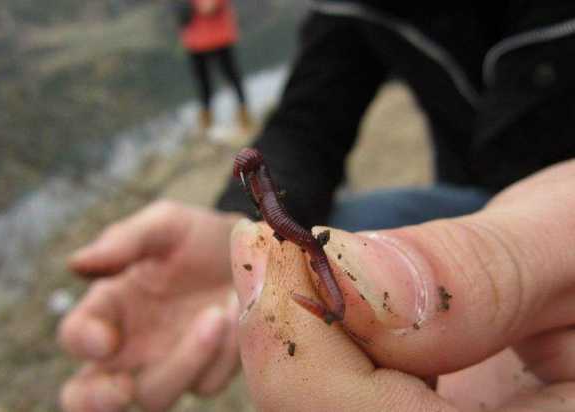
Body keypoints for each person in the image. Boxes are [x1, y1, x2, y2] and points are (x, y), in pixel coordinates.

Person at [59, 2, 575, 411]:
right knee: (336, 236)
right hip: (468, 194)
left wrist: (525, 246)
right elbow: (309, 120)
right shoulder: (353, 9)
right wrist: (232, 229)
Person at [173, 0, 252, 133]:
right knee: (203, 83)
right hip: (195, 39)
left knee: (232, 77)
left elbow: (208, 7)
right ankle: (207, 124)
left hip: (219, 35)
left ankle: (244, 116)